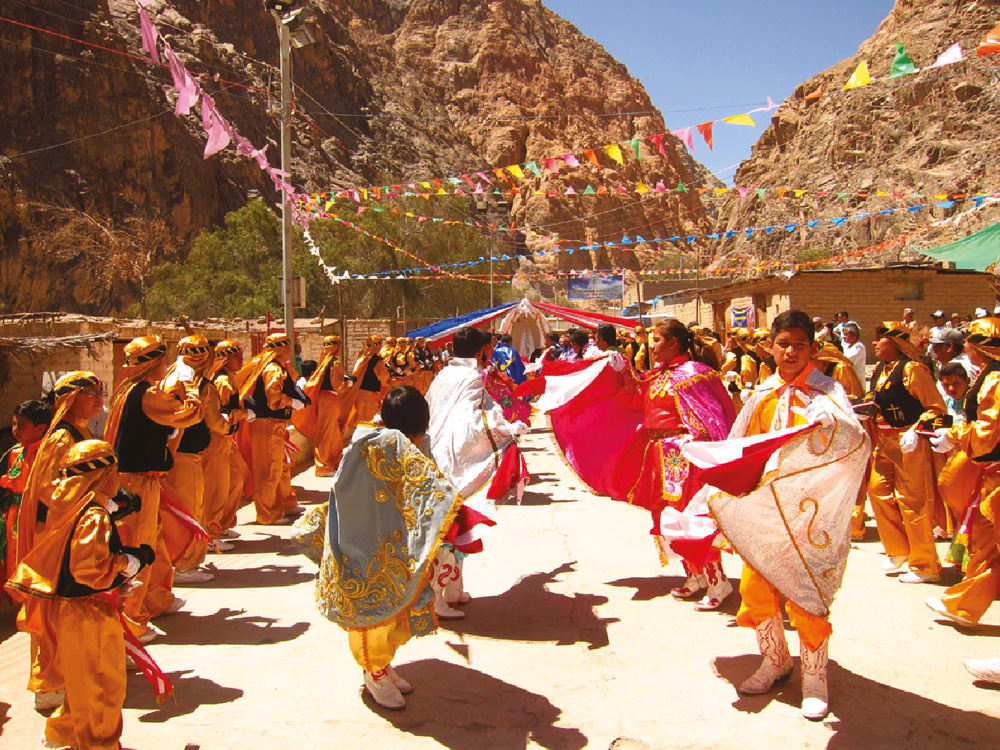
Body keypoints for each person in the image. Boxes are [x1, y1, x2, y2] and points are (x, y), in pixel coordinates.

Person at [698, 310, 869, 720]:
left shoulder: (829, 392)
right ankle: (775, 660)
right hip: (767, 514)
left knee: (808, 598)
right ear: (771, 347)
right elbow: (740, 446)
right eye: (783, 344)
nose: (790, 351)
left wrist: (835, 427)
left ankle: (815, 677)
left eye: (799, 344)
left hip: (810, 516)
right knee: (757, 591)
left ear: (813, 348)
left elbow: (856, 441)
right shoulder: (762, 394)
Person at [316, 385, 464, 710]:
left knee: (396, 609)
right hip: (365, 545)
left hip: (393, 544)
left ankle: (382, 665)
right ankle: (374, 671)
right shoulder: (379, 446)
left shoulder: (394, 442)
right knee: (372, 614)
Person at [6, 439, 153, 750]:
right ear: (101, 477)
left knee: (81, 682)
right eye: (115, 472)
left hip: (73, 610)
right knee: (102, 685)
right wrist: (129, 562)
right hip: (90, 614)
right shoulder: (94, 516)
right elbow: (88, 568)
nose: (119, 480)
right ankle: (99, 744)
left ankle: (68, 734)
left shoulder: (69, 508)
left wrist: (118, 583)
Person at [622, 320, 736, 609]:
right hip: (661, 457)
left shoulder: (694, 375)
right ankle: (694, 576)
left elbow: (712, 418)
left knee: (694, 517)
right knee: (669, 517)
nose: (651, 345)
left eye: (657, 339)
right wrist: (616, 370)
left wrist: (697, 447)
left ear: (674, 343)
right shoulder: (659, 375)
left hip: (686, 459)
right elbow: (635, 401)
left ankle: (718, 581)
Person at [424, 326, 528, 618]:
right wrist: (505, 430)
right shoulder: (472, 377)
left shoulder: (442, 374)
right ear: (481, 351)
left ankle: (455, 590)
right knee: (449, 529)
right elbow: (472, 421)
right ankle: (436, 599)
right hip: (457, 458)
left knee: (457, 526)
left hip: (435, 453)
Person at [16, 371, 104, 710]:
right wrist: (96, 503)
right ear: (68, 399)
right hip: (55, 534)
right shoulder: (61, 439)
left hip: (73, 530)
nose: (98, 397)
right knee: (52, 611)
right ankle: (50, 683)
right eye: (90, 392)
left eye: (99, 391)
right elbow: (51, 490)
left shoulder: (79, 431)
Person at [104, 336, 202, 641]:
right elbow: (188, 412)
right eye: (164, 362)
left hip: (139, 478)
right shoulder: (147, 395)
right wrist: (191, 387)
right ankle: (131, 621)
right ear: (155, 364)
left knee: (154, 540)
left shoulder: (129, 390)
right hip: (136, 481)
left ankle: (156, 599)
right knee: (138, 544)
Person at [925, 318, 1000, 629]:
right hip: (991, 472)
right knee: (986, 538)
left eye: (969, 341)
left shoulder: (995, 379)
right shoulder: (989, 374)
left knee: (987, 535)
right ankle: (964, 604)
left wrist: (954, 437)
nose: (965, 347)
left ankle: (964, 604)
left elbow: (987, 430)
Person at [868, 322, 946, 583]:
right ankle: (899, 550)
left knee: (913, 501)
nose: (875, 344)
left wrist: (918, 429)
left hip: (908, 441)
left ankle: (926, 565)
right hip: (885, 440)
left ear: (897, 343)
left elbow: (936, 408)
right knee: (877, 491)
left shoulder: (912, 370)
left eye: (881, 339)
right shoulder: (882, 369)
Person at [160, 335, 231, 583]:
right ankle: (184, 564)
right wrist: (231, 423)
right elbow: (214, 421)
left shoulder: (171, 377)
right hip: (186, 456)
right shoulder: (197, 385)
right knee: (190, 509)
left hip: (175, 453)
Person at [238, 333, 307, 525]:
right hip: (268, 425)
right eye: (287, 348)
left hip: (275, 426)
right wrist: (292, 402)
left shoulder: (278, 367)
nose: (290, 352)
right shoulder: (273, 369)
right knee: (268, 469)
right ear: (280, 349)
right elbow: (273, 397)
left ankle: (285, 502)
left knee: (280, 466)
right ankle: (268, 513)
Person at [0, 400, 52, 604]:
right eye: (14, 424)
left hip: (36, 515)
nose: (15, 430)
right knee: (14, 557)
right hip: (15, 514)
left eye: (22, 425)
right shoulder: (14, 453)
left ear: (41, 429)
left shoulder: (48, 452)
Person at [203, 340, 251, 545]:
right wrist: (243, 414)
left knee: (235, 479)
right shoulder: (222, 382)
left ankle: (222, 523)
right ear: (225, 360)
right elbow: (220, 415)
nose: (241, 361)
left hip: (227, 440)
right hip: (217, 440)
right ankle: (210, 532)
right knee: (217, 486)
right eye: (237, 357)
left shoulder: (230, 379)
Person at [294, 335, 357, 477]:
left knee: (330, 432)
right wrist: (350, 383)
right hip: (329, 399)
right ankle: (324, 466)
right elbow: (338, 384)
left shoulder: (324, 362)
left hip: (325, 399)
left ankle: (329, 463)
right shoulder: (334, 362)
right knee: (328, 433)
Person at [353, 336, 391, 424]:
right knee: (368, 421)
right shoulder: (376, 360)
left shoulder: (361, 357)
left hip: (359, 393)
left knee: (359, 419)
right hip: (370, 395)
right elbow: (383, 377)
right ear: (377, 345)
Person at [841, 322, 867, 386]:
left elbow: (847, 361)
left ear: (854, 334)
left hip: (856, 382)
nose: (844, 337)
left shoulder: (859, 347)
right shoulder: (846, 346)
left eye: (846, 334)